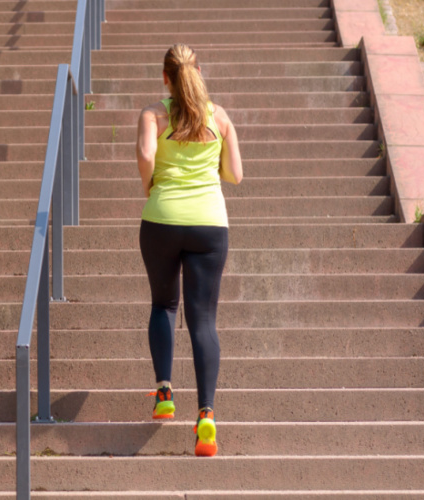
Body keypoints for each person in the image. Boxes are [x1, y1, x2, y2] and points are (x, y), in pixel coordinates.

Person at [136, 43, 243, 457]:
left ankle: (164, 394)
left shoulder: (153, 114)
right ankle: (206, 419)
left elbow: (147, 153)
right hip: (209, 225)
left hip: (161, 219)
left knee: (163, 305)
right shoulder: (220, 117)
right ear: (198, 72)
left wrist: (151, 186)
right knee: (204, 321)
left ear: (166, 77)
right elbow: (235, 174)